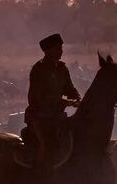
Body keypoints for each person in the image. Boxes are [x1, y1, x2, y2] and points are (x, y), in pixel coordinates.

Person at [21, 33, 81, 171]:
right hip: (40, 117)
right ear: (47, 51)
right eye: (57, 48)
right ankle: (39, 177)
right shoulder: (39, 69)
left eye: (61, 48)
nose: (61, 51)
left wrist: (77, 98)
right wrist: (66, 103)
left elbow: (70, 88)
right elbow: (39, 97)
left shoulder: (62, 68)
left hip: (57, 116)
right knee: (46, 145)